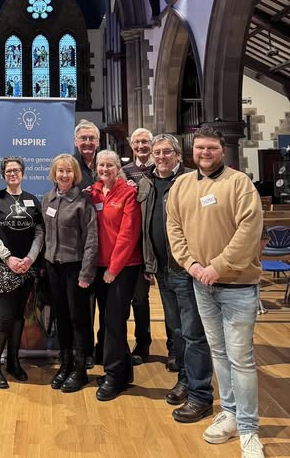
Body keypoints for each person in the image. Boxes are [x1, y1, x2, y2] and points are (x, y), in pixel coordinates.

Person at [167, 126, 265, 458]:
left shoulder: (239, 184)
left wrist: (218, 265)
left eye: (211, 147)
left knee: (242, 359)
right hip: (200, 283)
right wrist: (192, 265)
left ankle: (250, 429)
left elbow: (249, 229)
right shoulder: (182, 184)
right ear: (191, 152)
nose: (204, 153)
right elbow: (174, 227)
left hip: (236, 285)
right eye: (199, 148)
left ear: (222, 150)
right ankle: (232, 414)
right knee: (219, 355)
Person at [138, 134, 213, 422]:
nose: (160, 156)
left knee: (193, 333)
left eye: (166, 151)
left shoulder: (192, 181)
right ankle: (185, 378)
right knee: (176, 330)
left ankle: (200, 392)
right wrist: (148, 263)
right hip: (160, 267)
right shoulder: (146, 182)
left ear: (178, 154)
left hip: (186, 267)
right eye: (157, 152)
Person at [0, 157, 44, 389]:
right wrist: (8, 257)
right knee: (5, 317)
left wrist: (29, 259)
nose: (13, 174)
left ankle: (14, 362)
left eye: (16, 170)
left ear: (23, 173)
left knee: (19, 316)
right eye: (8, 171)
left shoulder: (32, 200)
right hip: (3, 266)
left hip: (26, 267)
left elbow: (39, 233)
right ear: (3, 174)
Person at [42, 154, 97, 393]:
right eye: (60, 171)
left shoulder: (83, 202)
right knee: (61, 318)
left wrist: (86, 273)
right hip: (54, 268)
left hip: (75, 269)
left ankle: (80, 369)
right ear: (54, 173)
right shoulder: (48, 199)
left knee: (79, 319)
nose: (64, 175)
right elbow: (44, 235)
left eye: (68, 171)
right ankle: (64, 364)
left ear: (75, 175)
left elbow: (91, 241)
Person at [90, 150, 142, 401]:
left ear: (118, 168)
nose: (105, 169)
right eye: (101, 165)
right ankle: (122, 371)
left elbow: (128, 234)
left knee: (114, 322)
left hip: (122, 268)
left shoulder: (128, 193)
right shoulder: (95, 192)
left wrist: (114, 268)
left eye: (110, 165)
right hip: (100, 267)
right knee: (109, 322)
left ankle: (114, 376)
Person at [121, 128, 158, 368]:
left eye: (145, 142)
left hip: (155, 241)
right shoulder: (124, 171)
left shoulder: (160, 169)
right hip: (132, 245)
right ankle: (140, 344)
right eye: (137, 142)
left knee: (161, 300)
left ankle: (172, 347)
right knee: (137, 300)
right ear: (131, 145)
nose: (141, 146)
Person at [73, 119, 100, 368]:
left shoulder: (105, 163)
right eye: (84, 139)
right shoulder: (71, 167)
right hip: (80, 246)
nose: (88, 143)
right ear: (75, 142)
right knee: (84, 303)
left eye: (92, 139)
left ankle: (105, 348)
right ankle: (86, 350)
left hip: (108, 244)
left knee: (109, 302)